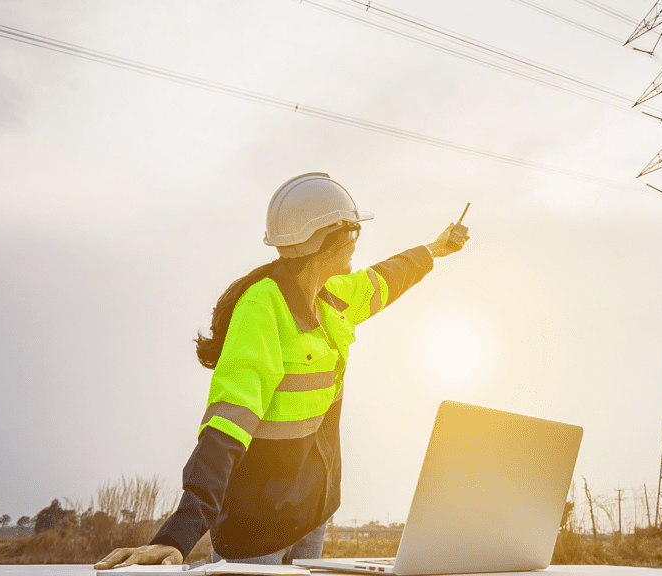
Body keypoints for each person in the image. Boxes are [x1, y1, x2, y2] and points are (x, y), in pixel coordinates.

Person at [94, 173, 468, 569]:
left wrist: (435, 249)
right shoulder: (263, 309)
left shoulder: (334, 297)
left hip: (310, 518)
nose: (357, 244)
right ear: (329, 241)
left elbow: (386, 278)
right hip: (257, 530)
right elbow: (226, 425)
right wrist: (178, 534)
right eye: (354, 233)